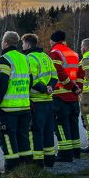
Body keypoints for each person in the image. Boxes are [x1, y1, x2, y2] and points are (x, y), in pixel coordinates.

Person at [0, 31, 33, 171]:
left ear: (5, 43)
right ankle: (26, 166)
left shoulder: (5, 59)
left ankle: (12, 169)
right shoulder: (25, 58)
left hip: (8, 108)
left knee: (8, 139)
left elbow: (2, 85)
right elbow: (31, 81)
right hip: (24, 106)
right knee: (23, 137)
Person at [22, 33, 59, 167]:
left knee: (36, 131)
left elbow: (31, 79)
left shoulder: (29, 58)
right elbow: (55, 76)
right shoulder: (46, 57)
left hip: (36, 101)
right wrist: (50, 87)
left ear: (27, 44)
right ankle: (50, 160)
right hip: (48, 101)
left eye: (23, 43)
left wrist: (43, 89)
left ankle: (37, 162)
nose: (22, 46)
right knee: (48, 131)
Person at [49, 30, 82, 162]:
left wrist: (72, 86)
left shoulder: (54, 53)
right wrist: (78, 88)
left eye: (50, 40)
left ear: (54, 40)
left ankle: (65, 154)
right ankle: (76, 152)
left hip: (60, 96)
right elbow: (80, 74)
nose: (49, 43)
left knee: (61, 125)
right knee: (73, 124)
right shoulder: (73, 53)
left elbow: (59, 73)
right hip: (73, 96)